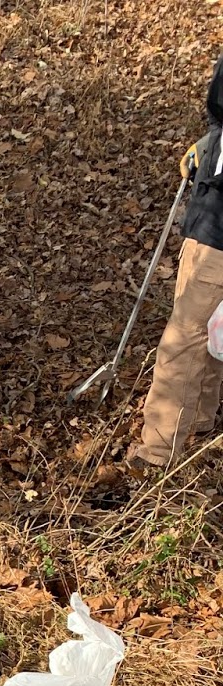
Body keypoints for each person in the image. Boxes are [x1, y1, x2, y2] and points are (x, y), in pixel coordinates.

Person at [131, 56, 223, 472]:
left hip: (218, 224)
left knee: (186, 333)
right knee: (213, 326)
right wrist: (212, 140)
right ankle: (200, 418)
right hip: (214, 209)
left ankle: (156, 454)